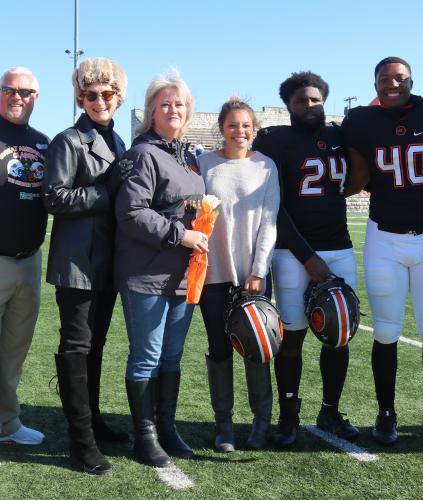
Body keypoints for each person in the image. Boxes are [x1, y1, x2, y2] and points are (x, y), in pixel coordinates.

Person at [342, 57, 423, 445]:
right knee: (386, 331)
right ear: (375, 84)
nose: (392, 84)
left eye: (399, 78)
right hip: (385, 239)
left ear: (412, 80)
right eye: (384, 79)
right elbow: (357, 175)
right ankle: (386, 413)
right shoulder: (361, 120)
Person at [253, 71, 359, 446]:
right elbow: (273, 206)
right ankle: (289, 415)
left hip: (340, 246)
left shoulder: (338, 136)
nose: (310, 105)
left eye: (315, 99)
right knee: (293, 336)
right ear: (288, 105)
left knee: (339, 334)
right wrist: (307, 256)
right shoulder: (274, 139)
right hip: (293, 252)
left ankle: (330, 410)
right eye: (302, 100)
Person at [43, 58, 129, 475]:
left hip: (108, 261)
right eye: (90, 95)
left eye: (107, 94)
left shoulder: (120, 142)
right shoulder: (68, 140)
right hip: (76, 262)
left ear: (118, 97)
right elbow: (54, 198)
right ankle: (81, 442)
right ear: (80, 97)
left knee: (95, 346)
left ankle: (91, 421)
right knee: (77, 346)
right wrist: (105, 189)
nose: (99, 100)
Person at [114, 73, 206, 466]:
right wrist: (179, 235)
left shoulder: (186, 156)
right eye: (165, 103)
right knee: (147, 357)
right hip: (147, 274)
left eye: (179, 104)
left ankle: (166, 427)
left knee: (172, 357)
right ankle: (145, 436)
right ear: (151, 110)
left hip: (183, 276)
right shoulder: (143, 154)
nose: (173, 110)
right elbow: (131, 213)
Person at [197, 98, 279, 451]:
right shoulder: (203, 165)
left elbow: (270, 222)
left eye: (246, 125)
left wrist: (259, 270)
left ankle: (261, 424)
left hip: (254, 277)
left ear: (254, 129)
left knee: (257, 348)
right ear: (221, 128)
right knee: (219, 349)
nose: (240, 131)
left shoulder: (266, 167)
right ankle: (224, 426)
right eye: (233, 125)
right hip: (215, 274)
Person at [0, 67, 49, 446]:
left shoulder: (44, 142)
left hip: (30, 258)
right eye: (10, 90)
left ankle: (6, 422)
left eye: (26, 91)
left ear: (36, 97)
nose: (18, 96)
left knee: (14, 350)